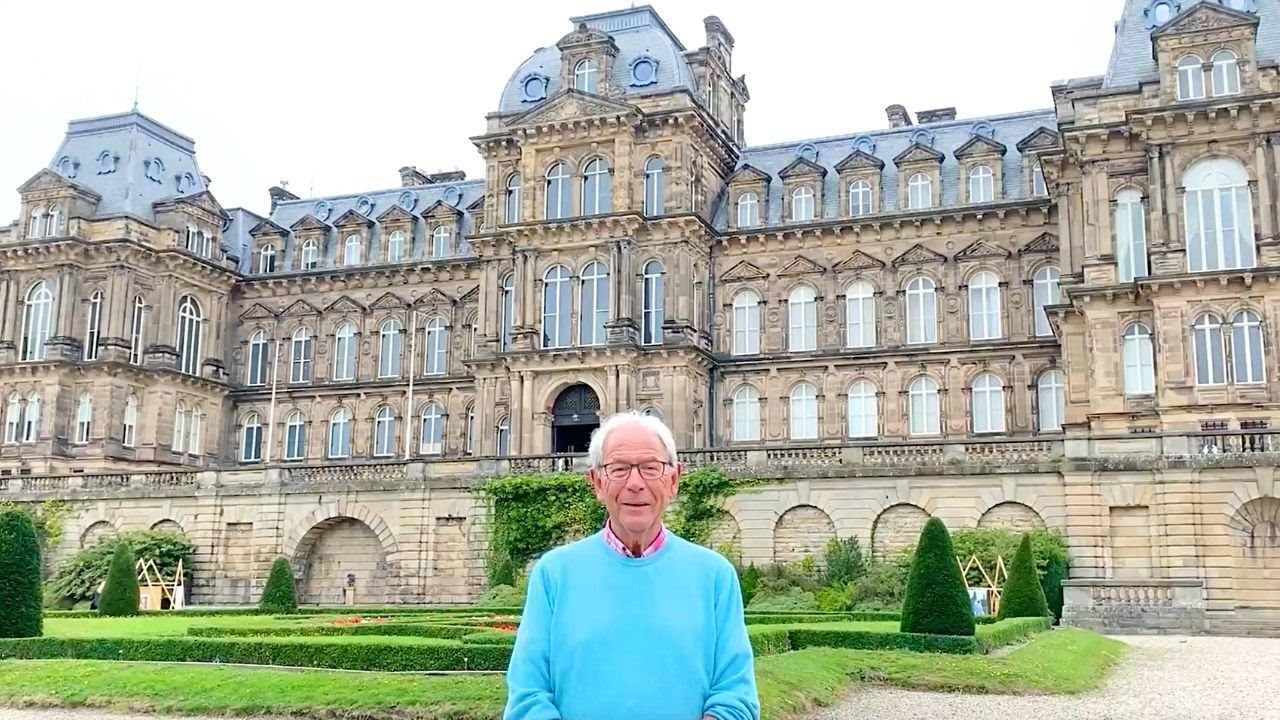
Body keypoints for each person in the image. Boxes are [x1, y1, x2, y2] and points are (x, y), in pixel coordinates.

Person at [503, 411, 760, 720]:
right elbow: (527, 698)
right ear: (597, 482)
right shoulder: (554, 574)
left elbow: (736, 698)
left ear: (674, 480)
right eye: (619, 469)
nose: (635, 483)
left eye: (651, 468)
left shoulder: (715, 576)